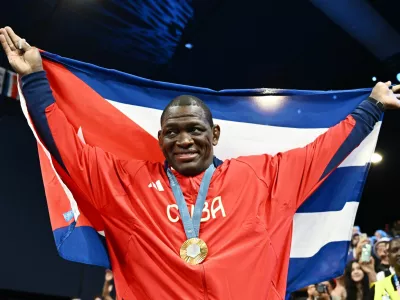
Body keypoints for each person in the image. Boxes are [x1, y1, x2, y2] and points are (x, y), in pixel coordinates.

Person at [1, 26, 400, 300]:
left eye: (194, 129)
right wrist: (35, 78)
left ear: (215, 135)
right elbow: (67, 147)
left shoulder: (262, 176)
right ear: (160, 140)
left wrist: (372, 106)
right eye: (172, 132)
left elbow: (323, 152)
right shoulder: (125, 183)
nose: (184, 139)